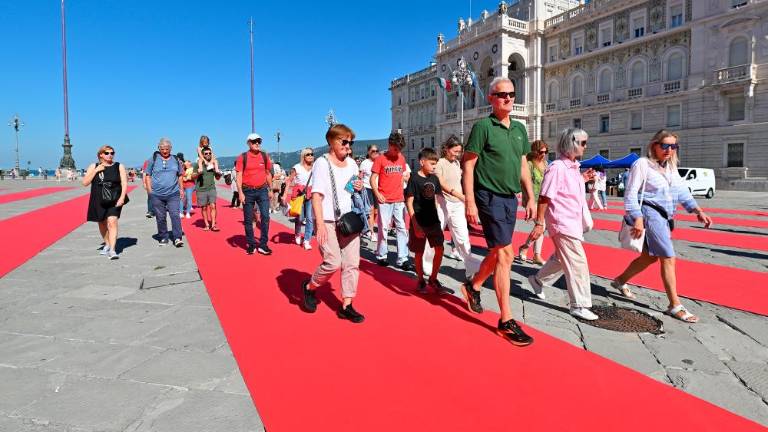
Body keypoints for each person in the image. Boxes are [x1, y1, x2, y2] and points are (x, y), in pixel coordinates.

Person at [461, 76, 535, 347]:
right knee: (506, 253)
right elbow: (468, 166)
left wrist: (529, 196)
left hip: (509, 198)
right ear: (491, 98)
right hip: (487, 195)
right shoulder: (483, 127)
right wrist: (470, 200)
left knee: (496, 252)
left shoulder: (519, 129)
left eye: (511, 94)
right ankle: (506, 320)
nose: (508, 98)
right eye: (501, 94)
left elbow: (523, 165)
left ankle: (473, 286)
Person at [612, 130, 713, 323]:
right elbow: (630, 193)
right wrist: (638, 218)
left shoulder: (670, 168)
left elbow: (682, 191)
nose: (669, 150)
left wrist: (697, 210)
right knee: (668, 257)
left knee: (649, 258)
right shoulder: (642, 164)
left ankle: (620, 281)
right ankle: (674, 305)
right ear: (654, 145)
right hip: (650, 213)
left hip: (666, 217)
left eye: (673, 146)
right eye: (665, 145)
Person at [527, 129, 600, 321]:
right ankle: (580, 305)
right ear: (572, 143)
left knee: (561, 259)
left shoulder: (574, 167)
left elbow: (568, 189)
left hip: (572, 222)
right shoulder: (557, 167)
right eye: (583, 143)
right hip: (562, 222)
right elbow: (544, 196)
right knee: (578, 263)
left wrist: (584, 178)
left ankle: (537, 280)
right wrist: (539, 223)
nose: (585, 146)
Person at [300, 124, 366, 323]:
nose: (348, 146)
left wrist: (359, 186)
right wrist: (319, 224)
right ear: (332, 142)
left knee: (352, 264)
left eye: (350, 142)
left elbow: (353, 189)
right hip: (328, 220)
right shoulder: (322, 163)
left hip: (348, 220)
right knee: (332, 262)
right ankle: (309, 286)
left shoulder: (353, 164)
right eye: (344, 142)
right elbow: (317, 196)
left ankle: (347, 305)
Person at [422, 136, 478, 279]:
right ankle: (427, 262)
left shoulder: (457, 164)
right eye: (455, 151)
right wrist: (458, 194)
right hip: (442, 203)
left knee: (462, 236)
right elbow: (439, 182)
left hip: (457, 205)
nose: (457, 154)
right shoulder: (440, 163)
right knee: (435, 234)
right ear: (447, 149)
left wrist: (462, 197)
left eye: (459, 152)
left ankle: (471, 266)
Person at [406, 148, 455, 295]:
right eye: (432, 163)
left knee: (440, 249)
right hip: (419, 221)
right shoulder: (414, 178)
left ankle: (433, 279)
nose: (434, 167)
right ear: (422, 162)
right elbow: (409, 202)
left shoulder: (434, 179)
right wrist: (415, 225)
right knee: (419, 252)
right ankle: (420, 280)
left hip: (433, 221)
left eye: (436, 164)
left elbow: (438, 197)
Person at [371, 131, 412, 271]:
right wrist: (377, 194)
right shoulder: (380, 159)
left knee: (401, 228)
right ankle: (381, 255)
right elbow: (372, 179)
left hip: (399, 199)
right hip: (385, 200)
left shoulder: (401, 158)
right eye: (395, 149)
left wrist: (403, 184)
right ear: (390, 145)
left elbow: (402, 175)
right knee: (383, 228)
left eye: (399, 149)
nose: (397, 152)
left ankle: (403, 258)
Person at [83, 145, 128, 259]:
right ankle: (107, 243)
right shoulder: (94, 166)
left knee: (112, 221)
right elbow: (85, 182)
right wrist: (96, 171)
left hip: (115, 199)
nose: (110, 155)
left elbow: (124, 183)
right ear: (101, 155)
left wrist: (122, 198)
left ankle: (112, 250)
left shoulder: (119, 166)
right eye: (107, 153)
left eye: (112, 153)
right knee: (102, 223)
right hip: (98, 199)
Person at [235, 133, 274, 255]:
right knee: (248, 219)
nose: (257, 143)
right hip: (247, 191)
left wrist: (271, 189)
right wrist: (240, 192)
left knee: (265, 217)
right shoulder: (242, 157)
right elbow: (239, 176)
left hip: (262, 190)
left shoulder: (264, 156)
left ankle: (263, 244)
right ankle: (251, 244)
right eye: (254, 141)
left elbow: (268, 173)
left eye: (259, 141)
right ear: (249, 143)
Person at [145, 138, 185, 247]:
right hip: (157, 194)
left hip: (173, 193)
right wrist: (149, 190)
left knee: (175, 215)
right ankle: (163, 236)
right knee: (160, 216)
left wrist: (181, 189)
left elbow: (180, 175)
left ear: (171, 148)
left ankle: (177, 237)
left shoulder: (176, 159)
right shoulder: (153, 159)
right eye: (162, 149)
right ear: (159, 148)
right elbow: (147, 175)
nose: (165, 151)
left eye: (167, 149)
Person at [517, 139, 550, 265]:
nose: (544, 154)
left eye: (546, 151)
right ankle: (528, 250)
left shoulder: (546, 164)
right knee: (542, 225)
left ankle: (533, 253)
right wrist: (528, 199)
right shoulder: (529, 164)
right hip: (533, 200)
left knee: (541, 227)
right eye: (541, 152)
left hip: (543, 199)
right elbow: (524, 182)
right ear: (535, 151)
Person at [290, 148, 315, 250]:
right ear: (303, 156)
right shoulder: (297, 167)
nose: (310, 156)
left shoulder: (315, 168)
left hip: (311, 195)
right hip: (299, 195)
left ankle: (307, 240)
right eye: (308, 154)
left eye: (312, 154)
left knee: (309, 218)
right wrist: (283, 195)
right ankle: (297, 233)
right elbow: (289, 180)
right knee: (299, 218)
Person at [191, 146, 221, 231]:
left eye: (209, 153)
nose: (208, 155)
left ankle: (213, 224)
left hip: (211, 188)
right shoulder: (198, 164)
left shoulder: (213, 164)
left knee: (213, 206)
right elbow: (192, 176)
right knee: (204, 208)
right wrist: (198, 173)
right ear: (202, 155)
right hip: (201, 189)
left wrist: (218, 173)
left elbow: (218, 178)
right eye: (206, 153)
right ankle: (206, 224)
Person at [358, 144, 379, 240]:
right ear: (368, 152)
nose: (375, 153)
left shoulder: (379, 161)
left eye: (376, 151)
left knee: (376, 211)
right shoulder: (365, 163)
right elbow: (360, 176)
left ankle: (368, 226)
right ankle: (371, 232)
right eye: (373, 151)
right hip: (367, 188)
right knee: (371, 210)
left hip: (378, 188)